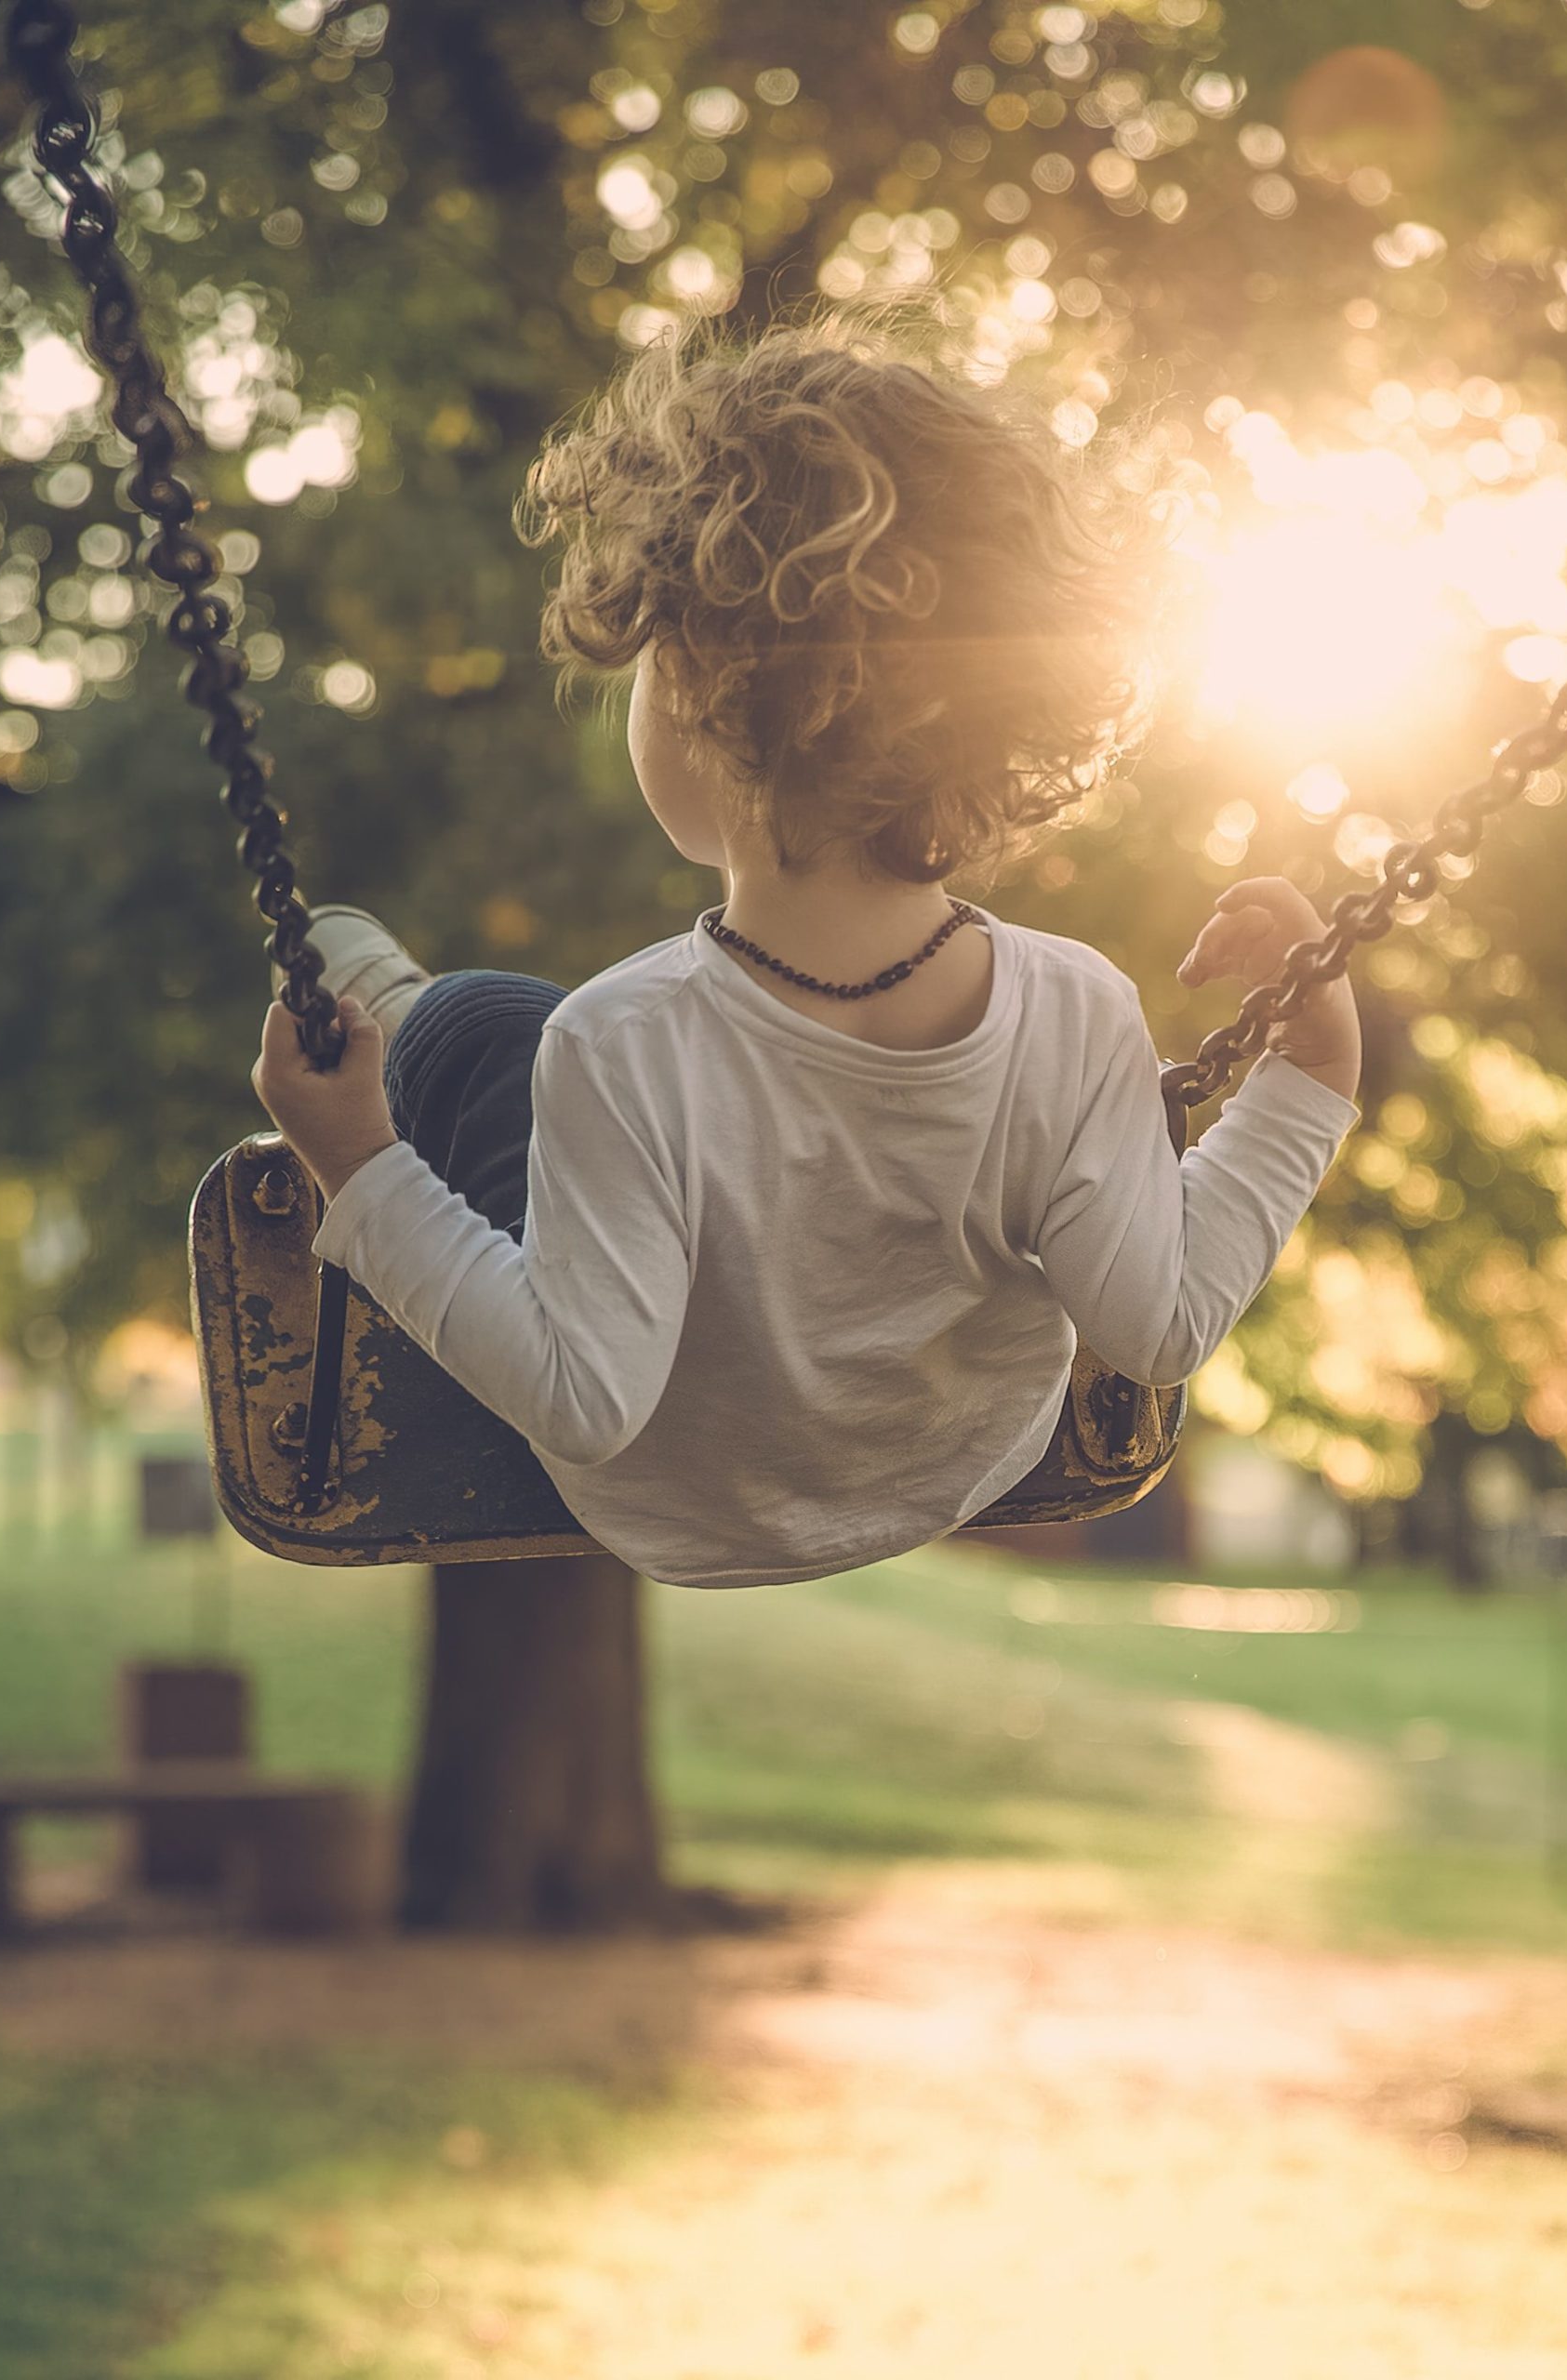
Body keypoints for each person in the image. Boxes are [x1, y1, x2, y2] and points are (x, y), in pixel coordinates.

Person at [250, 313, 1361, 1588]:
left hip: (679, 1503)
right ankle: (408, 1016)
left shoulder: (617, 1044)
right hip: (956, 1469)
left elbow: (582, 1398)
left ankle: (400, 1019)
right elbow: (1159, 1326)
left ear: (711, 686)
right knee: (530, 1048)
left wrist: (358, 1166)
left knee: (480, 1027)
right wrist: (1307, 1086)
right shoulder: (1078, 1012)